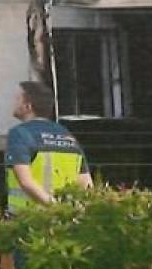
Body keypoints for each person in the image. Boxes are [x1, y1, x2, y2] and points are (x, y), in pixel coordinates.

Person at [5, 81, 93, 212]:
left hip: (29, 217)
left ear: (28, 106)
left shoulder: (20, 133)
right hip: (63, 219)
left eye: (18, 99)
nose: (13, 103)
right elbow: (86, 183)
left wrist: (55, 207)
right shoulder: (67, 135)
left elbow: (25, 181)